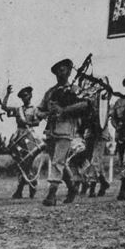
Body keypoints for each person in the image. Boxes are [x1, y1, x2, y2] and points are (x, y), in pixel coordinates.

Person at [38, 58, 90, 206]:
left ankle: (52, 193)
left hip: (67, 129)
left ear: (69, 71)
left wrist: (64, 110)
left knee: (58, 161)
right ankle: (72, 188)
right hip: (51, 130)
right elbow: (39, 110)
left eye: (63, 69)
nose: (60, 72)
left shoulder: (74, 90)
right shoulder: (50, 92)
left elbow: (85, 104)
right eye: (57, 70)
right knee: (58, 161)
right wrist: (44, 114)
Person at [1, 85, 45, 199]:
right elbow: (4, 107)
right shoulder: (18, 109)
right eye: (22, 96)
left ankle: (23, 189)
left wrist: (29, 123)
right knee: (21, 164)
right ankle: (29, 187)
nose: (24, 98)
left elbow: (37, 122)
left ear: (30, 96)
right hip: (19, 137)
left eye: (26, 95)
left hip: (29, 137)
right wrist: (7, 94)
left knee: (27, 163)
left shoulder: (34, 109)